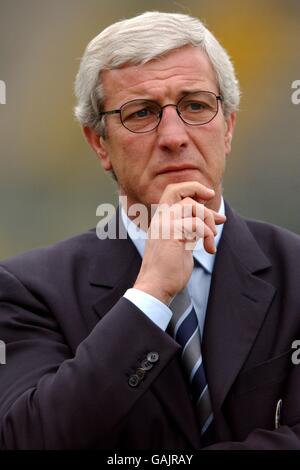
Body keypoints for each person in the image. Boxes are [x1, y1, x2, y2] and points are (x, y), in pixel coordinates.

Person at [0, 11, 300, 450]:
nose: (174, 135)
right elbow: (30, 439)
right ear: (99, 142)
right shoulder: (28, 290)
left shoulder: (295, 271)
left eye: (195, 105)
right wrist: (150, 295)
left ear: (229, 126)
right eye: (141, 113)